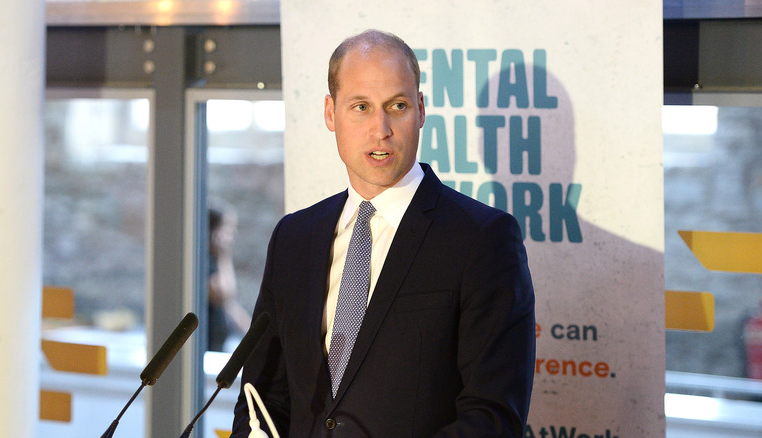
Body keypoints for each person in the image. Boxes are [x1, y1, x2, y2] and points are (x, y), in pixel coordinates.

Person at [231, 29, 535, 437]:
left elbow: (493, 417)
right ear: (330, 112)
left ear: (421, 110)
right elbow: (263, 397)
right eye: (360, 106)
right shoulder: (293, 237)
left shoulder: (483, 239)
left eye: (397, 106)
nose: (381, 129)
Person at [208, 204, 251, 351]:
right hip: (203, 349)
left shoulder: (213, 262)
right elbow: (223, 294)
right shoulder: (203, 263)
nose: (232, 236)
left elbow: (229, 305)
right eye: (227, 230)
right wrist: (224, 256)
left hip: (216, 347)